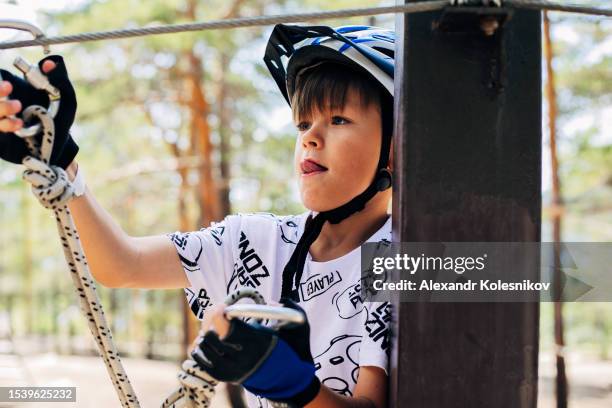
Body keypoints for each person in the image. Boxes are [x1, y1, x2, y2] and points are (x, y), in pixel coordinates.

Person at [0, 23, 394, 408]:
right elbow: (123, 264)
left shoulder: (410, 263)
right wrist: (61, 158)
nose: (309, 137)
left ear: (398, 147)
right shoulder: (254, 241)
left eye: (338, 119)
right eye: (303, 123)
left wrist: (298, 388)